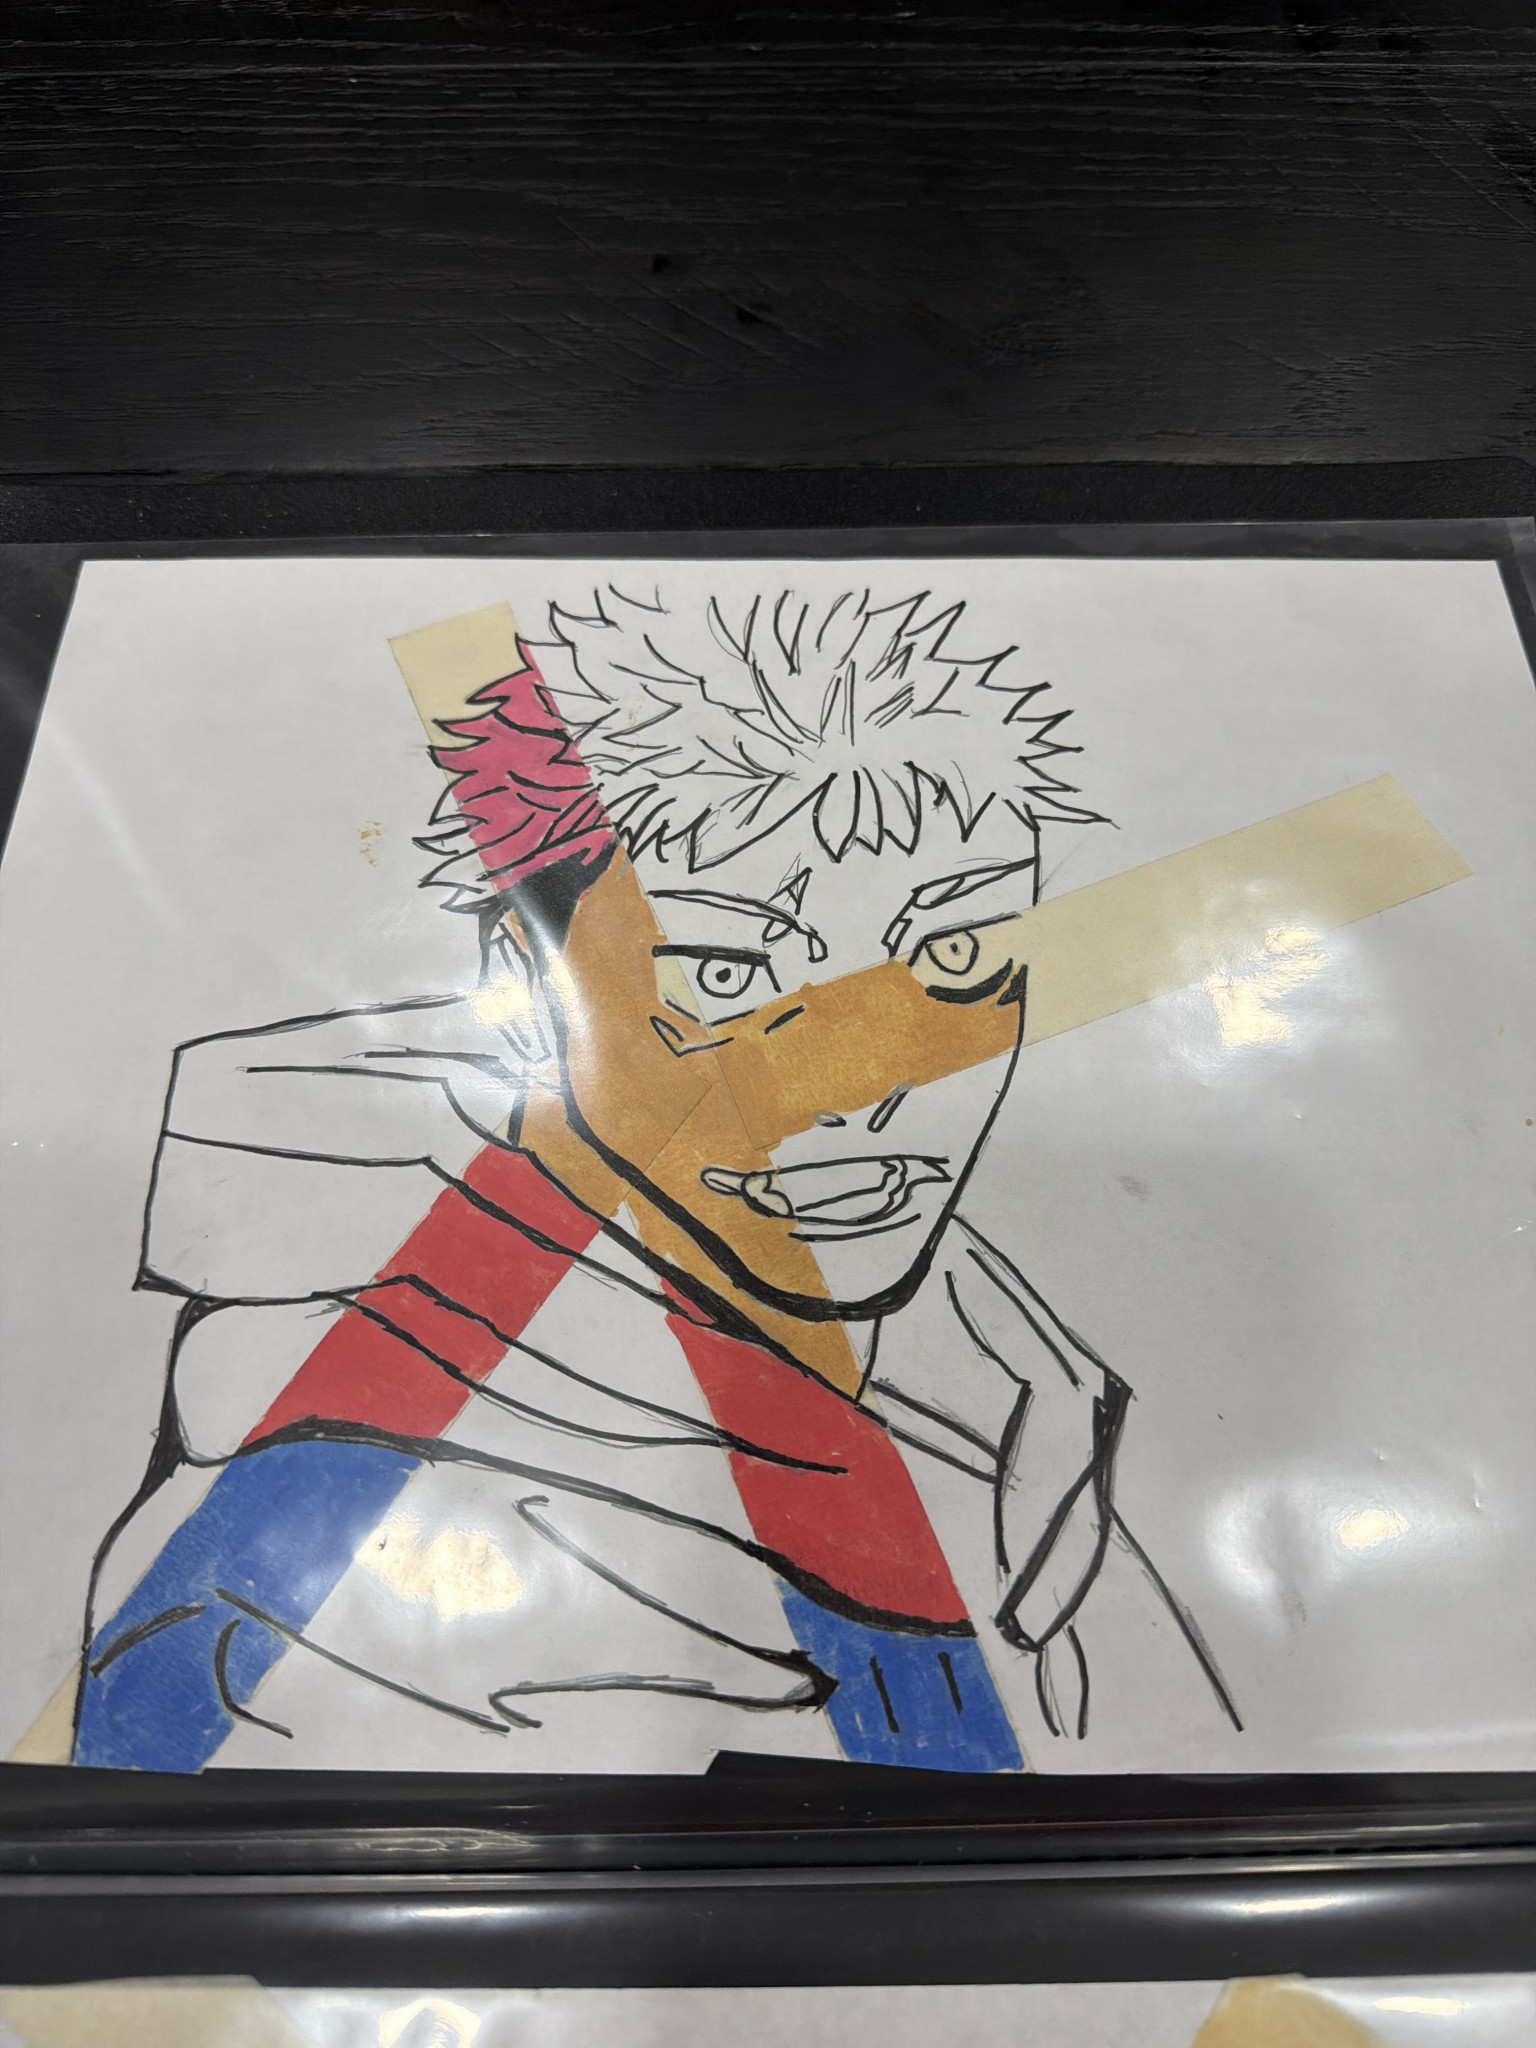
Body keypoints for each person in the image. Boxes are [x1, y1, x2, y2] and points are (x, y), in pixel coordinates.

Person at [73, 585, 1238, 1773]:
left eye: (954, 957)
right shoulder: (397, 1530)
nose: (862, 1090)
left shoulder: (1021, 1408)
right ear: (522, 984)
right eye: (723, 971)